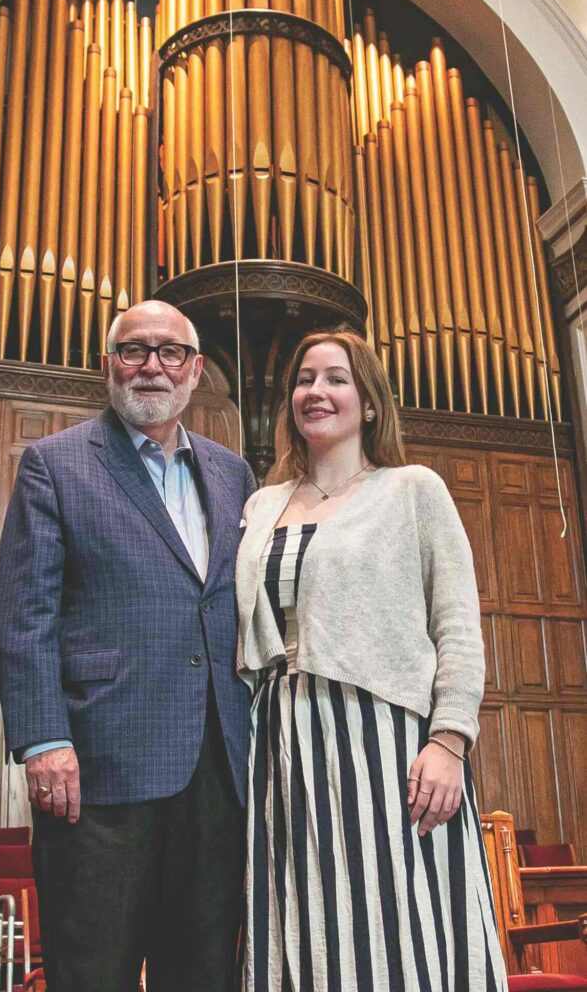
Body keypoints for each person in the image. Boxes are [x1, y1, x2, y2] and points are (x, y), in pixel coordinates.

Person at [0, 301, 256, 992]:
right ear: (107, 365)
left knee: (201, 972)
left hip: (217, 768)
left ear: (195, 371)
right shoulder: (55, 464)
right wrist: (44, 739)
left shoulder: (234, 476)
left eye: (170, 352)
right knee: (94, 971)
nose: (151, 366)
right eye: (133, 350)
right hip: (99, 770)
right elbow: (25, 616)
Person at [236, 328, 507, 991]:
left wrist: (448, 740)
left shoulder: (411, 490)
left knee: (395, 925)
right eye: (303, 379)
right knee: (299, 919)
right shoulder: (260, 504)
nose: (314, 391)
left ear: (370, 402)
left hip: (384, 741)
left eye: (334, 378)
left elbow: (456, 624)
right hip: (280, 739)